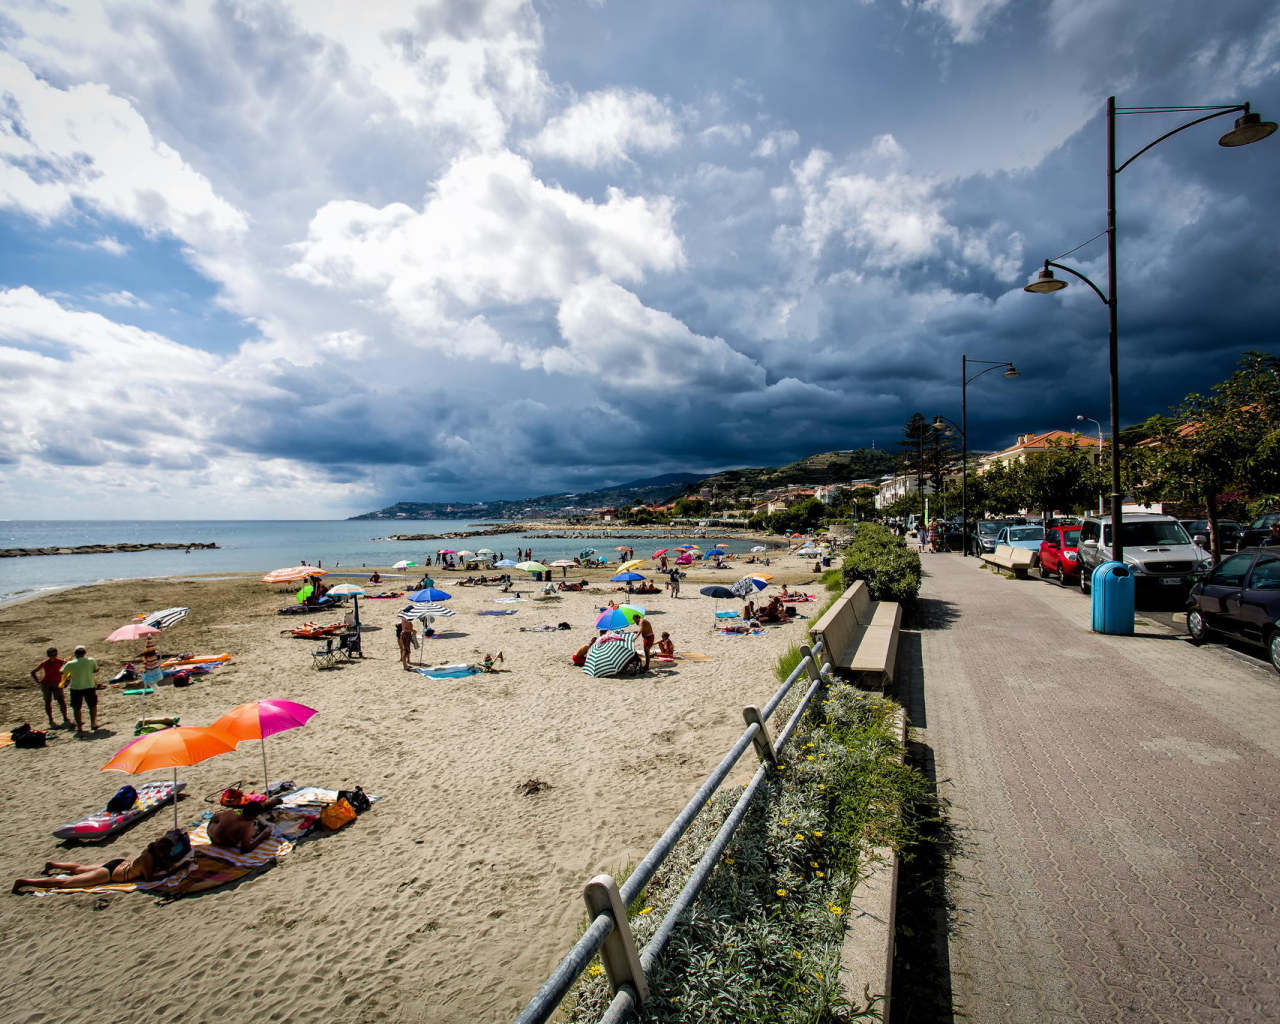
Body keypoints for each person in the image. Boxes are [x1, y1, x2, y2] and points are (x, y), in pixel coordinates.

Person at [13, 834, 186, 893]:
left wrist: (170, 865)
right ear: (160, 851)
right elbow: (149, 879)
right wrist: (175, 870)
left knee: (80, 869)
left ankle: (53, 864)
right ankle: (25, 882)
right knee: (65, 882)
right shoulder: (148, 858)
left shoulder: (151, 852)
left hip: (119, 863)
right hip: (111, 874)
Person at [208, 800, 277, 853]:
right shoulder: (247, 825)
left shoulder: (230, 812)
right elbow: (245, 849)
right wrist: (262, 837)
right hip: (224, 843)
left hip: (212, 836)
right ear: (255, 816)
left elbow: (214, 819)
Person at [30, 647, 70, 729]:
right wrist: (38, 681)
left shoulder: (60, 662)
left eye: (55, 654)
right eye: (52, 655)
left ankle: (65, 717)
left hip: (56, 683)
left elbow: (68, 671)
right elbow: (33, 672)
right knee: (48, 701)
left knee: (61, 701)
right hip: (47, 683)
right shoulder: (46, 663)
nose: (54, 656)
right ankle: (51, 719)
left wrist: (66, 681)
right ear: (49, 655)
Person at [64, 646, 99, 733]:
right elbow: (96, 670)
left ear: (75, 654)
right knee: (92, 705)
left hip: (76, 687)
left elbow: (62, 672)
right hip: (89, 686)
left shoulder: (70, 663)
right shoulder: (91, 660)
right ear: (84, 653)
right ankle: (93, 723)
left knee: (76, 708)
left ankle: (79, 726)